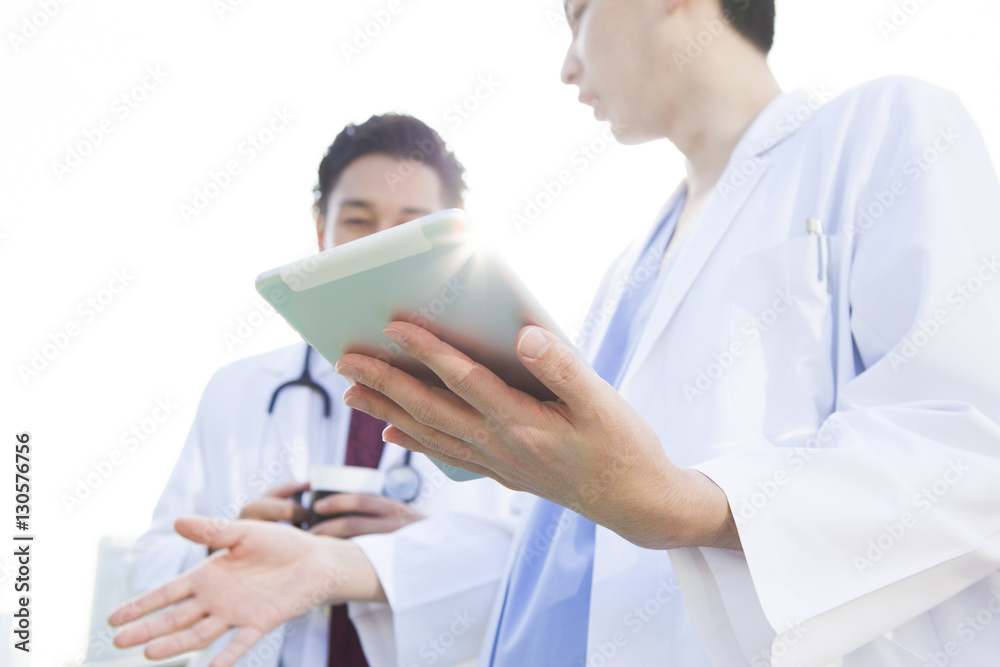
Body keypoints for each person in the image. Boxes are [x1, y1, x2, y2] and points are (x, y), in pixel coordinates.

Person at [111, 0, 1000, 665]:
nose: (568, 67)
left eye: (575, 16)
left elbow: (970, 452)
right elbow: (555, 545)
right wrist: (336, 569)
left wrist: (683, 502)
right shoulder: (626, 275)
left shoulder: (884, 132)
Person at [125, 114, 524, 667]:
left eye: (413, 223)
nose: (384, 242)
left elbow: (537, 566)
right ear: (321, 231)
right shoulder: (237, 391)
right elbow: (146, 567)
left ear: (454, 241)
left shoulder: (506, 395)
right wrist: (227, 542)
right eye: (359, 220)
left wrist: (406, 553)